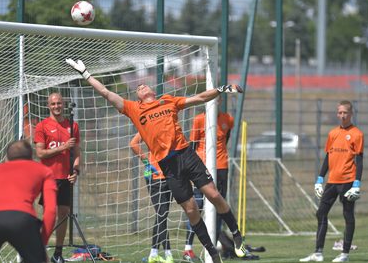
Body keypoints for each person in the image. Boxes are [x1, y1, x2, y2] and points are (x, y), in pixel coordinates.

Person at [66, 58, 250, 263]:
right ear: (137, 96)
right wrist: (86, 74)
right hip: (168, 166)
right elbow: (106, 93)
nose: (141, 86)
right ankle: (212, 253)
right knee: (190, 210)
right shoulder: (133, 109)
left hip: (186, 155)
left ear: (152, 91)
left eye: (144, 84)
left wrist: (221, 89)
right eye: (138, 87)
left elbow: (198, 98)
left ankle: (236, 234)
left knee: (213, 194)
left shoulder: (168, 100)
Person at [0, 140, 57, 263]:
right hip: (22, 219)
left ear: (7, 158)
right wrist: (41, 244)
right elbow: (51, 210)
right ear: (31, 157)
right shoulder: (44, 170)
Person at [300, 100, 364, 263]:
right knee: (321, 213)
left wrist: (357, 184)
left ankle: (344, 254)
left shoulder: (357, 134)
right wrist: (319, 179)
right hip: (332, 181)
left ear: (351, 114)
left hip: (348, 181)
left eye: (345, 113)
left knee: (347, 215)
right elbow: (328, 157)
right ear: (337, 114)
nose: (342, 116)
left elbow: (360, 160)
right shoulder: (332, 133)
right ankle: (318, 253)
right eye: (340, 112)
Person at [34, 92, 81, 263]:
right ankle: (38, 251)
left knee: (64, 214)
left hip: (66, 178)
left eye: (59, 103)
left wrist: (76, 172)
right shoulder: (42, 126)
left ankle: (58, 254)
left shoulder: (72, 126)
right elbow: (40, 153)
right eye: (53, 104)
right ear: (48, 106)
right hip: (48, 178)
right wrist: (62, 147)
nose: (56, 107)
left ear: (63, 104)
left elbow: (76, 152)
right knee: (49, 215)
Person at [184, 107, 234, 261]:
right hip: (202, 168)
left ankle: (218, 243)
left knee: (220, 206)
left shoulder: (228, 119)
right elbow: (193, 145)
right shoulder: (199, 119)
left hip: (222, 167)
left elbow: (226, 139)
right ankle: (188, 248)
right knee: (196, 206)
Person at [130, 132, 174, 263]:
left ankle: (153, 254)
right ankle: (168, 254)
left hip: (170, 177)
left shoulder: (170, 125)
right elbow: (133, 144)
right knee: (162, 214)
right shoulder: (147, 125)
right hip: (155, 178)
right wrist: (147, 163)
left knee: (162, 216)